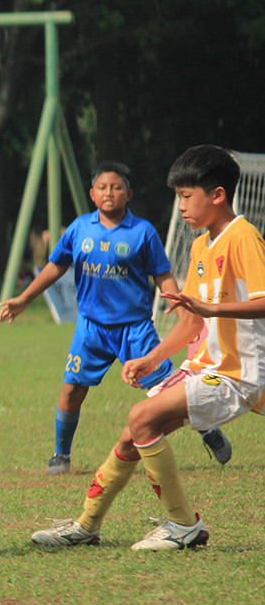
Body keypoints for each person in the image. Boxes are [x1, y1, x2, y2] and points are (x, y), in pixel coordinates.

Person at [31, 145, 264, 550]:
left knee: (141, 417)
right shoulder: (200, 246)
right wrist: (151, 358)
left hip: (235, 374)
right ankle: (86, 527)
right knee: (131, 436)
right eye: (178, 197)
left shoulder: (243, 237)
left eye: (186, 196)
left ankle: (184, 525)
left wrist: (213, 308)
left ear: (218, 195)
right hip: (203, 368)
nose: (181, 207)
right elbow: (191, 322)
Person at [0, 161, 232, 474]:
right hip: (90, 328)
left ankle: (207, 428)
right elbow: (56, 265)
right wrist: (24, 299)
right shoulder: (79, 229)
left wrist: (179, 308)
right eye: (102, 187)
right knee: (72, 390)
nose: (109, 192)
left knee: (166, 389)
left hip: (134, 329)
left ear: (129, 194)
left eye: (117, 187)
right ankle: (60, 454)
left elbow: (162, 274)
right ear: (92, 194)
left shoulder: (142, 232)